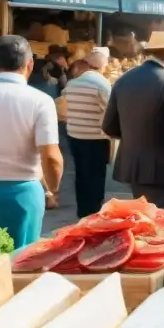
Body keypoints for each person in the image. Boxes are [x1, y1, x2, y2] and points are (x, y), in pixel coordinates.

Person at [0, 36, 63, 248]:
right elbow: (51, 157)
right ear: (30, 63)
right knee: (19, 264)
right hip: (21, 195)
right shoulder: (41, 101)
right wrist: (52, 189)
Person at [103, 31, 164, 214]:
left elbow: (108, 126)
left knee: (146, 222)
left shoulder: (123, 80)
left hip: (135, 168)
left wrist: (136, 136)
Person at [62, 47, 113, 218]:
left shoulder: (72, 83)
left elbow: (64, 104)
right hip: (95, 139)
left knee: (81, 174)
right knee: (95, 177)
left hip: (75, 136)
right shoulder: (102, 84)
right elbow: (110, 112)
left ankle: (82, 211)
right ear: (103, 64)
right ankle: (94, 213)